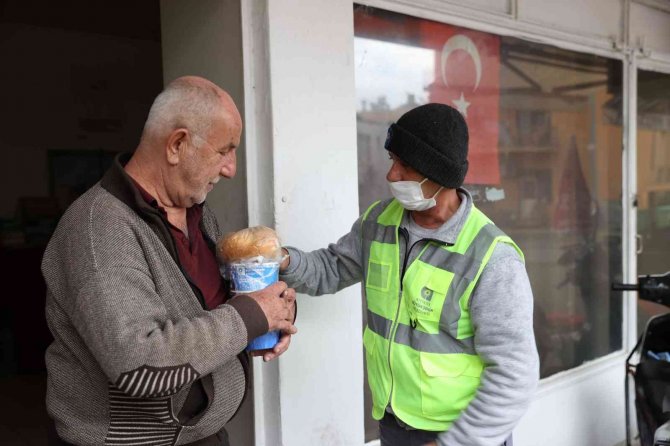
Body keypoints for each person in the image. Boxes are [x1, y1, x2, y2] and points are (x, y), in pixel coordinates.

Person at [42, 76, 297, 446]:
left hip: (200, 436)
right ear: (177, 145)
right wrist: (251, 316)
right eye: (225, 150)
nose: (231, 168)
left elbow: (217, 307)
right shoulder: (98, 228)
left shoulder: (197, 213)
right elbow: (139, 365)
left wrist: (274, 312)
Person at [279, 103, 539, 446]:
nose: (392, 175)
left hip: (461, 434)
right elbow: (331, 268)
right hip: (394, 425)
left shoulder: (492, 258)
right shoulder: (379, 222)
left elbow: (514, 376)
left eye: (406, 166)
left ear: (439, 175)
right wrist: (281, 259)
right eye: (392, 161)